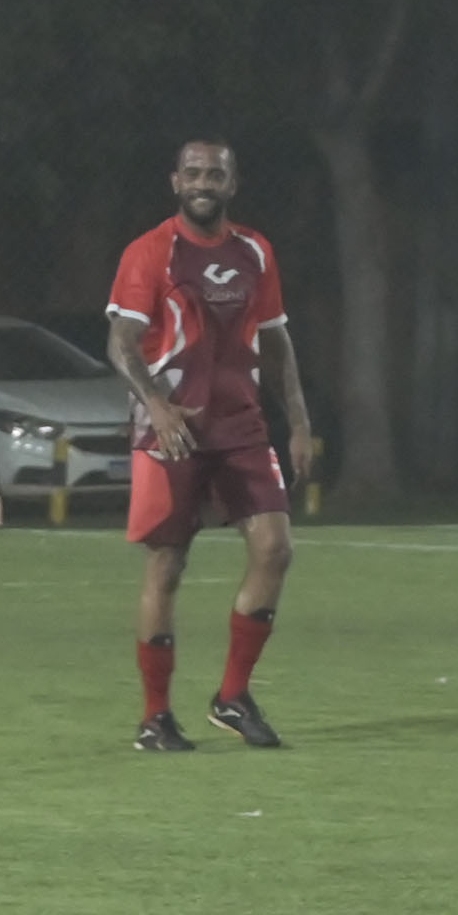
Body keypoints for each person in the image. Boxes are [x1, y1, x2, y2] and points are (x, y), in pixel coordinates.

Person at [105, 139, 311, 751]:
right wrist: (156, 404)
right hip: (173, 428)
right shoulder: (151, 252)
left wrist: (298, 420)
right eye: (193, 173)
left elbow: (275, 341)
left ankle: (232, 696)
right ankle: (155, 718)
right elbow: (122, 342)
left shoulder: (254, 251)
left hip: (241, 424)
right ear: (175, 181)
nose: (203, 182)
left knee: (274, 548)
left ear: (232, 183)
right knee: (167, 565)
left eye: (214, 174)